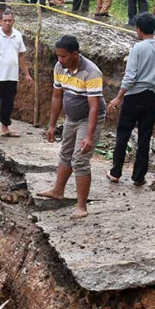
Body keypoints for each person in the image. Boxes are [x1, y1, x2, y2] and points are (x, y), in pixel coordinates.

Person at [37, 35, 106, 219]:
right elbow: (57, 96)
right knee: (65, 153)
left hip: (89, 118)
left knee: (80, 159)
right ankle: (58, 190)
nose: (59, 60)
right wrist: (52, 125)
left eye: (63, 56)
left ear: (75, 54)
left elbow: (94, 107)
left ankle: (81, 206)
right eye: (58, 56)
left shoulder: (91, 72)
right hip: (71, 118)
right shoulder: (60, 67)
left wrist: (89, 137)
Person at [106, 13, 155, 186]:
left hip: (134, 95)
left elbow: (130, 77)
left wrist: (119, 97)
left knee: (123, 134)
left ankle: (115, 172)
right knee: (145, 136)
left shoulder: (138, 48)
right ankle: (138, 177)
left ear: (138, 30)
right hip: (153, 97)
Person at [0, 8, 32, 140]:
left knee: (8, 103)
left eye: (10, 20)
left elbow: (21, 56)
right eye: (5, 21)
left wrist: (26, 73)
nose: (8, 23)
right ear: (0, 22)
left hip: (12, 77)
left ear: (13, 21)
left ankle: (5, 128)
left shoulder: (17, 35)